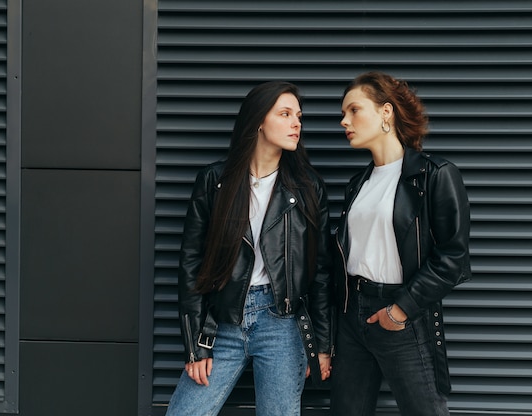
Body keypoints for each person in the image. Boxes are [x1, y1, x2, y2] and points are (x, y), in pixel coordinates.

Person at [165, 81, 333, 416]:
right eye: (285, 114)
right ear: (258, 120)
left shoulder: (307, 189)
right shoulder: (215, 182)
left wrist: (323, 345)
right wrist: (194, 342)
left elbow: (321, 271)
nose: (296, 123)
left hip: (282, 323)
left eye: (298, 115)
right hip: (222, 323)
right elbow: (191, 264)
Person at [330, 71, 471, 415]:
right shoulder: (358, 183)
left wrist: (401, 309)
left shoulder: (434, 175)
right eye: (343, 113)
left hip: (401, 315)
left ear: (386, 112)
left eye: (354, 110)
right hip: (353, 317)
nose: (343, 121)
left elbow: (454, 258)